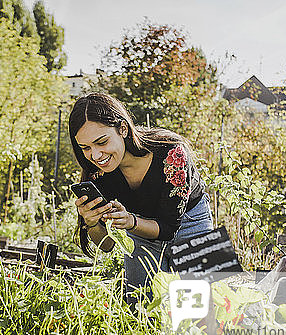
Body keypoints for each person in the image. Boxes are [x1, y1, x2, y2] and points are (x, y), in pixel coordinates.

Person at [69, 92, 213, 300]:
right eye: (86, 148)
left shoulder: (171, 153)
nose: (96, 155)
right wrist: (92, 223)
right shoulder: (97, 174)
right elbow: (107, 246)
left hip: (190, 222)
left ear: (123, 129)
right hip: (138, 227)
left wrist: (130, 221)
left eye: (102, 142)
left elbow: (169, 229)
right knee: (140, 305)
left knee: (199, 308)